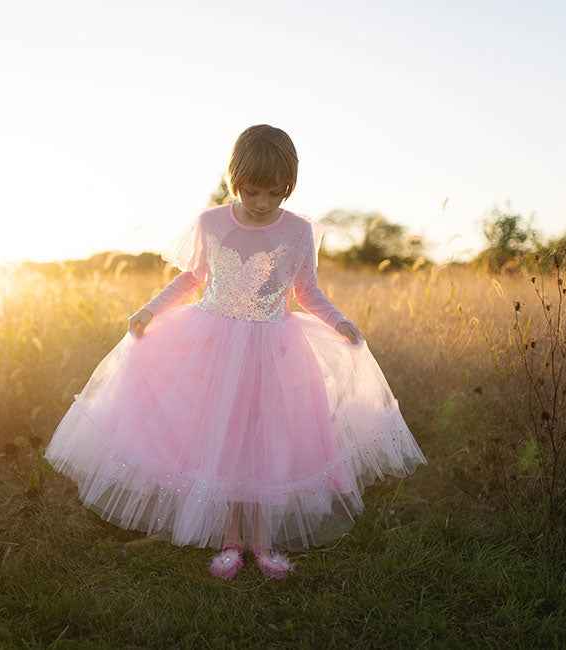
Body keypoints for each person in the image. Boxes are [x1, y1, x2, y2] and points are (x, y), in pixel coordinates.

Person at [45, 125, 426, 580]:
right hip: (213, 344)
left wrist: (339, 321)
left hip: (273, 348)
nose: (262, 202)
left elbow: (307, 291)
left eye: (274, 193)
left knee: (265, 437)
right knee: (223, 435)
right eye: (252, 191)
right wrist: (148, 310)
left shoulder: (299, 232)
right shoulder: (211, 222)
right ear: (234, 179)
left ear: (289, 187)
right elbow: (191, 278)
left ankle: (263, 542)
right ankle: (230, 539)